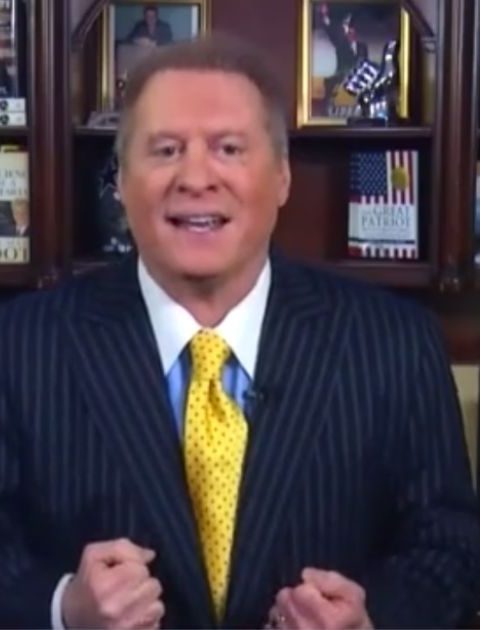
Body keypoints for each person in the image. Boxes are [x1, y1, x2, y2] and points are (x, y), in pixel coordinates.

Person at [0, 33, 479, 629]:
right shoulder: (20, 345)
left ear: (282, 177)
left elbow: (451, 548)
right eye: (166, 150)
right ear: (120, 181)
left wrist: (371, 617)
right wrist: (62, 607)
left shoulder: (395, 343)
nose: (196, 177)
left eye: (228, 148)